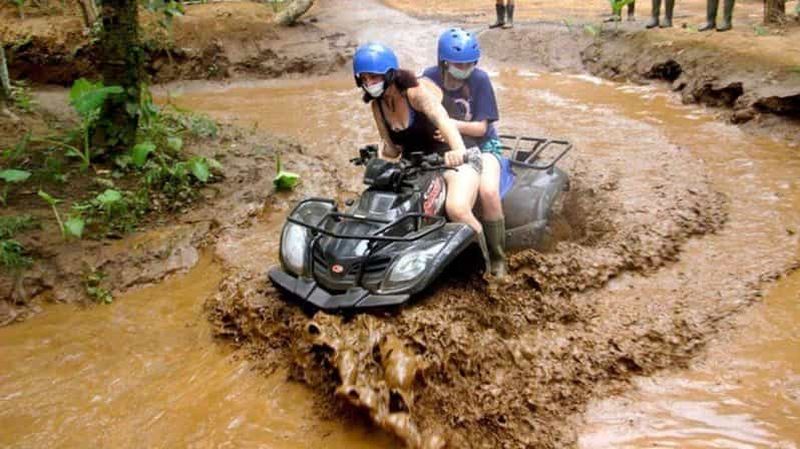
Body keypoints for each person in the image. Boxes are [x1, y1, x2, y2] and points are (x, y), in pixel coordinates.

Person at [353, 42, 488, 253]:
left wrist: (458, 151)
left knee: (457, 208)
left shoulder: (415, 93)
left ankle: (489, 263)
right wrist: (375, 155)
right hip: (416, 167)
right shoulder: (377, 105)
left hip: (452, 160)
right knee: (380, 207)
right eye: (364, 79)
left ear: (389, 74)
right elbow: (392, 149)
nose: (369, 83)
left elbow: (444, 121)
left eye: (374, 77)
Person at [422, 28, 510, 279]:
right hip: (448, 147)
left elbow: (482, 128)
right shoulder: (429, 79)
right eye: (460, 64)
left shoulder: (479, 80)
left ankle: (497, 258)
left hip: (483, 146)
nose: (465, 68)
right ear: (444, 61)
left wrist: (448, 124)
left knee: (488, 191)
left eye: (470, 63)